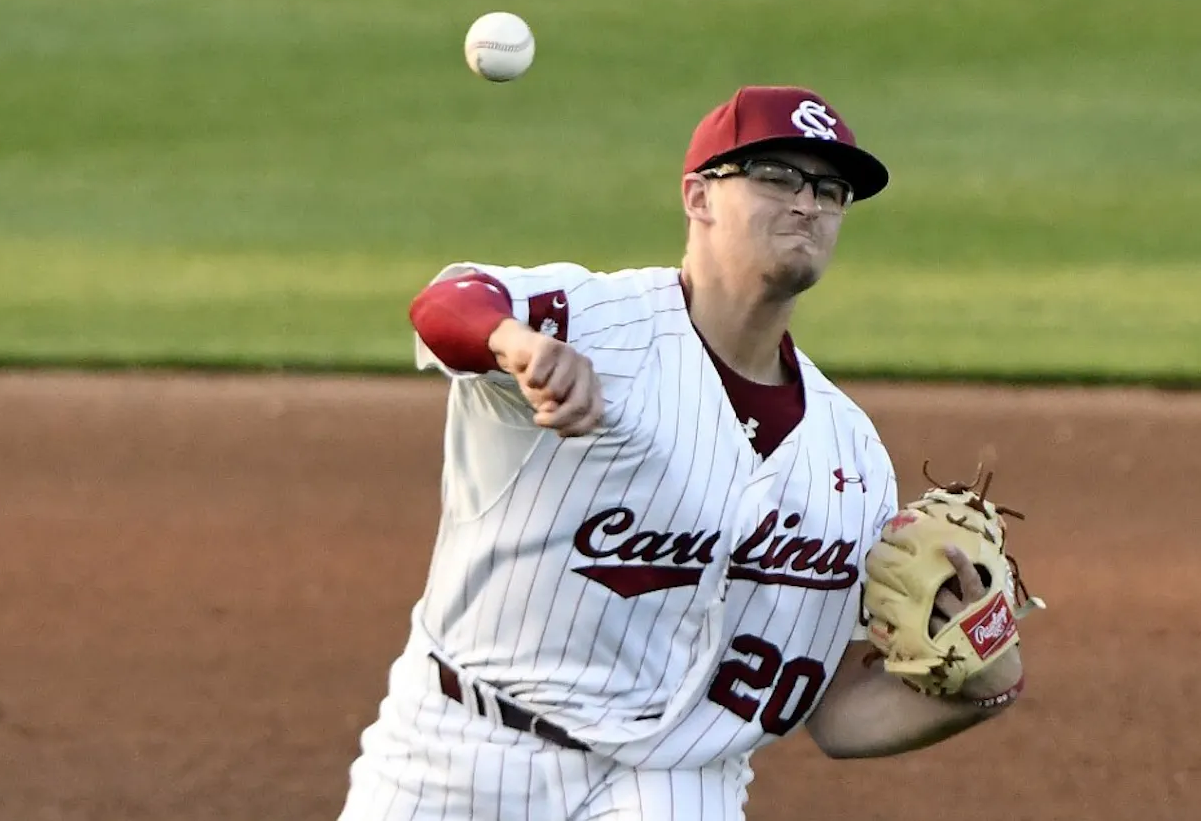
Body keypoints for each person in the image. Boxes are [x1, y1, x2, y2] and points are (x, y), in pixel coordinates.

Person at [337, 85, 1027, 820]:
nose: (808, 204)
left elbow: (830, 712)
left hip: (673, 789)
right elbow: (447, 304)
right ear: (698, 197)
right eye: (776, 176)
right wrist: (519, 345)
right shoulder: (593, 324)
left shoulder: (851, 458)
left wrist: (992, 678)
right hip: (465, 754)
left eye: (830, 189)